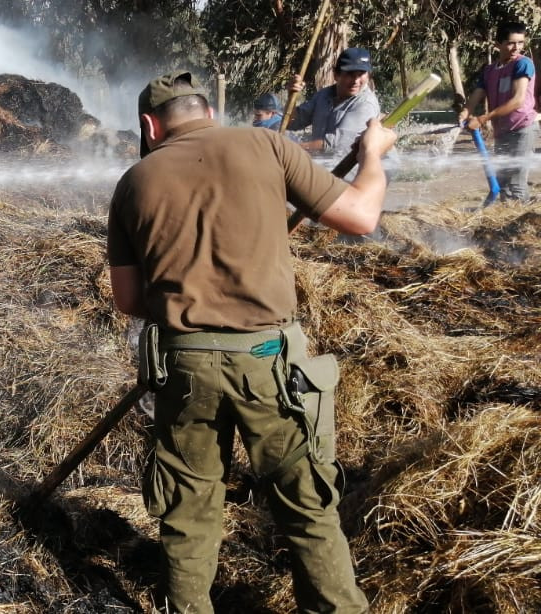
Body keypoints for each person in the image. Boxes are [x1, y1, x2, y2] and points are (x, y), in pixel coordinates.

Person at [106, 70, 396, 613]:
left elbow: (127, 299)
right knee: (307, 507)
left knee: (188, 510)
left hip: (183, 365)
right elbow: (359, 216)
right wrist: (374, 153)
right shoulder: (265, 145)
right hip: (270, 363)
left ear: (150, 125)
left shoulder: (134, 181)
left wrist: (187, 290)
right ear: (208, 113)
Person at [460, 21, 537, 202]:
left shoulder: (523, 64)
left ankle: (521, 227)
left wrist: (483, 118)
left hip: (522, 130)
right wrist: (465, 112)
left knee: (516, 184)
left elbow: (518, 100)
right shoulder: (489, 70)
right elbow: (478, 93)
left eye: (520, 43)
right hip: (502, 132)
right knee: (502, 183)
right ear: (498, 44)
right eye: (510, 43)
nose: (515, 48)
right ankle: (504, 227)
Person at [285, 47, 382, 155]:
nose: (356, 81)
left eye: (361, 74)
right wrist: (291, 96)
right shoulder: (323, 95)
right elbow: (292, 123)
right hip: (322, 164)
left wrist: (289, 149)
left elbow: (336, 145)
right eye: (350, 74)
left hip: (349, 169)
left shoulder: (365, 104)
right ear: (336, 75)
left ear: (368, 76)